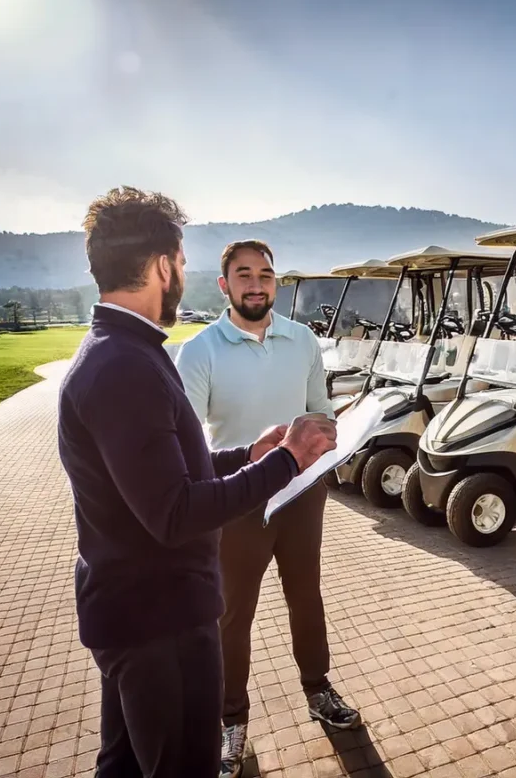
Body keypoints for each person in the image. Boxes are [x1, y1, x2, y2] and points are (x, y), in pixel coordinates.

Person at [57, 188, 337, 778]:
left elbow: (168, 464)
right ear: (163, 265)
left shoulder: (126, 350)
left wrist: (246, 453)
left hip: (141, 615)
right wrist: (283, 462)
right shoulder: (125, 366)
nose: (182, 272)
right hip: (159, 624)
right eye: (182, 261)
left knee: (127, 765)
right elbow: (174, 509)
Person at [175, 239, 361, 778]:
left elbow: (321, 412)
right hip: (237, 501)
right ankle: (231, 719)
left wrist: (330, 437)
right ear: (224, 284)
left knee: (307, 596)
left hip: (302, 495)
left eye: (265, 275)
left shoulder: (302, 339)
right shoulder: (201, 350)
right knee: (232, 615)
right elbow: (187, 446)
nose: (256, 284)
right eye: (243, 275)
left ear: (275, 282)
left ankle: (318, 689)